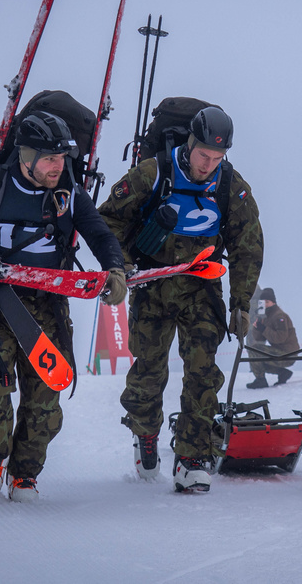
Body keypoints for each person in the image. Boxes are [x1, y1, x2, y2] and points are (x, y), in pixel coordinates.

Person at [0, 105, 126, 503]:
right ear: (26, 157)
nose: (57, 166)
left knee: (46, 396)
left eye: (62, 158)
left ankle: (24, 474)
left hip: (48, 305)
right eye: (49, 158)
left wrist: (115, 270)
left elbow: (99, 234)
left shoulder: (69, 194)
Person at [98, 105, 263, 493]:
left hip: (201, 287)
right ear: (190, 144)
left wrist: (241, 302)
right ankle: (145, 432)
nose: (209, 164)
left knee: (203, 371)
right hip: (153, 283)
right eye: (204, 154)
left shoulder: (230, 185)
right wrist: (120, 267)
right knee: (149, 371)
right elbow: (107, 219)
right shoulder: (153, 173)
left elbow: (248, 244)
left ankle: (192, 457)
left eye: (217, 157)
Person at [245, 287, 298, 389]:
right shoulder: (267, 317)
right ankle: (282, 373)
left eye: (267, 302)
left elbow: (280, 338)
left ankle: (260, 380)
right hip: (280, 352)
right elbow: (260, 339)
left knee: (255, 350)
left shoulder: (279, 316)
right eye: (262, 302)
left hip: (287, 354)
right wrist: (257, 327)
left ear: (273, 302)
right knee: (255, 353)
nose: (265, 304)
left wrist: (264, 329)